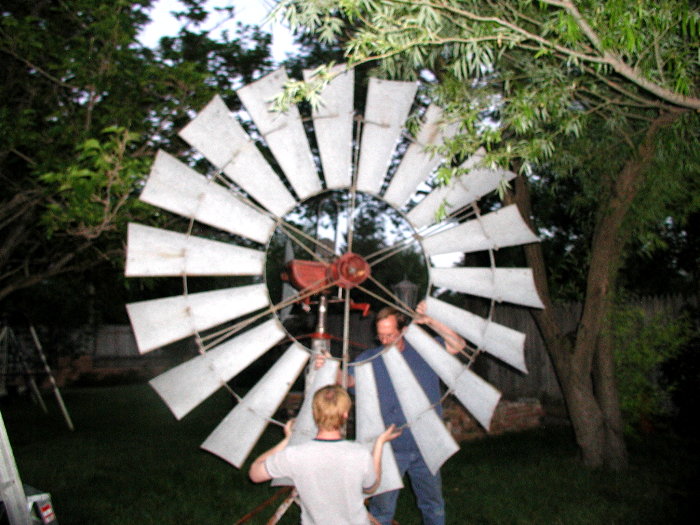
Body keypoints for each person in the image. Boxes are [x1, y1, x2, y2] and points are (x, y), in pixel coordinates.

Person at [320, 301, 465, 525]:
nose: (385, 341)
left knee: (433, 506)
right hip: (387, 448)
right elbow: (349, 381)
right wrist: (331, 367)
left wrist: (431, 321)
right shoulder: (368, 359)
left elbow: (457, 345)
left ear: (403, 331)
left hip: (425, 445)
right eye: (381, 336)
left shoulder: (424, 351)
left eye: (390, 335)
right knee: (382, 511)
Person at [249, 385, 401, 525]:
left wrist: (287, 441)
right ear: (345, 414)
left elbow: (255, 474)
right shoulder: (359, 454)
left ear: (314, 413)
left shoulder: (295, 455)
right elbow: (371, 487)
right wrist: (379, 444)